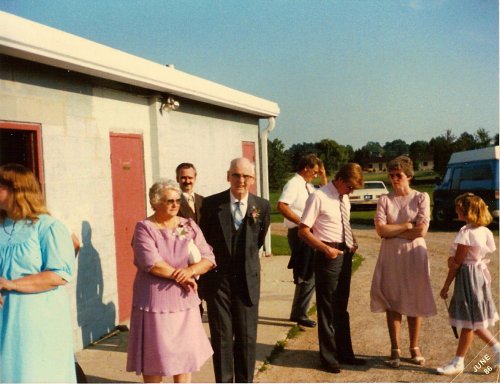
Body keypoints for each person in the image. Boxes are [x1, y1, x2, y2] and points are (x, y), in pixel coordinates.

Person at [126, 179, 216, 383]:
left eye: (177, 200)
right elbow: (152, 263)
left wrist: (191, 270)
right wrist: (182, 275)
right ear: (155, 202)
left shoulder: (185, 226)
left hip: (185, 302)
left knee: (184, 357)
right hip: (154, 302)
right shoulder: (145, 228)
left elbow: (208, 257)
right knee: (155, 357)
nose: (176, 204)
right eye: (169, 201)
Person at [0, 163, 76, 382]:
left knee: (32, 372)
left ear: (17, 190)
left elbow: (58, 275)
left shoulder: (48, 227)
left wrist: (11, 284)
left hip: (35, 317)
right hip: (3, 315)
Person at [199, 157, 270, 383]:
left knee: (247, 338)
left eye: (246, 176)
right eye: (236, 175)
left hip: (247, 281)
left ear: (252, 179)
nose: (241, 180)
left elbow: (257, 240)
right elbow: (204, 241)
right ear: (228, 176)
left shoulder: (262, 206)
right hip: (218, 282)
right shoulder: (211, 205)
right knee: (221, 338)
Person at [370, 155, 436, 368]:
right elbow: (380, 230)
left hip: (414, 254)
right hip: (390, 256)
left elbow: (422, 231)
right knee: (393, 299)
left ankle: (414, 347)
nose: (394, 179)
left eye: (398, 175)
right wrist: (406, 226)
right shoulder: (384, 200)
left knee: (414, 298)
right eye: (391, 175)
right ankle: (395, 347)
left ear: (408, 175)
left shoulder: (421, 198)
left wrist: (394, 231)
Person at [299, 162, 365, 374]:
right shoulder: (319, 197)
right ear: (340, 180)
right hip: (328, 256)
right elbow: (303, 230)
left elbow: (343, 224)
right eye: (351, 187)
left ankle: (345, 353)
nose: (352, 192)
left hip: (344, 254)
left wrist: (352, 240)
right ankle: (328, 358)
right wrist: (326, 249)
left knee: (341, 307)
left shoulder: (344, 198)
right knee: (327, 307)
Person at [436, 193, 500, 375]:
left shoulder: (466, 232)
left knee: (467, 321)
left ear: (466, 211)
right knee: (474, 319)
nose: (456, 210)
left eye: (458, 207)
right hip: (478, 276)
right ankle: (498, 349)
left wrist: (446, 285)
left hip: (468, 277)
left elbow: (457, 262)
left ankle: (458, 361)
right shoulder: (484, 231)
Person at [277, 154, 327, 328]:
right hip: (299, 234)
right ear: (306, 168)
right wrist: (302, 223)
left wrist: (324, 176)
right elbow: (282, 206)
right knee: (306, 273)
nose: (316, 175)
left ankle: (298, 312)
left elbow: (327, 196)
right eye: (314, 171)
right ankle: (299, 313)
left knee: (309, 272)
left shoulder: (308, 186)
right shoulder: (294, 184)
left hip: (307, 233)